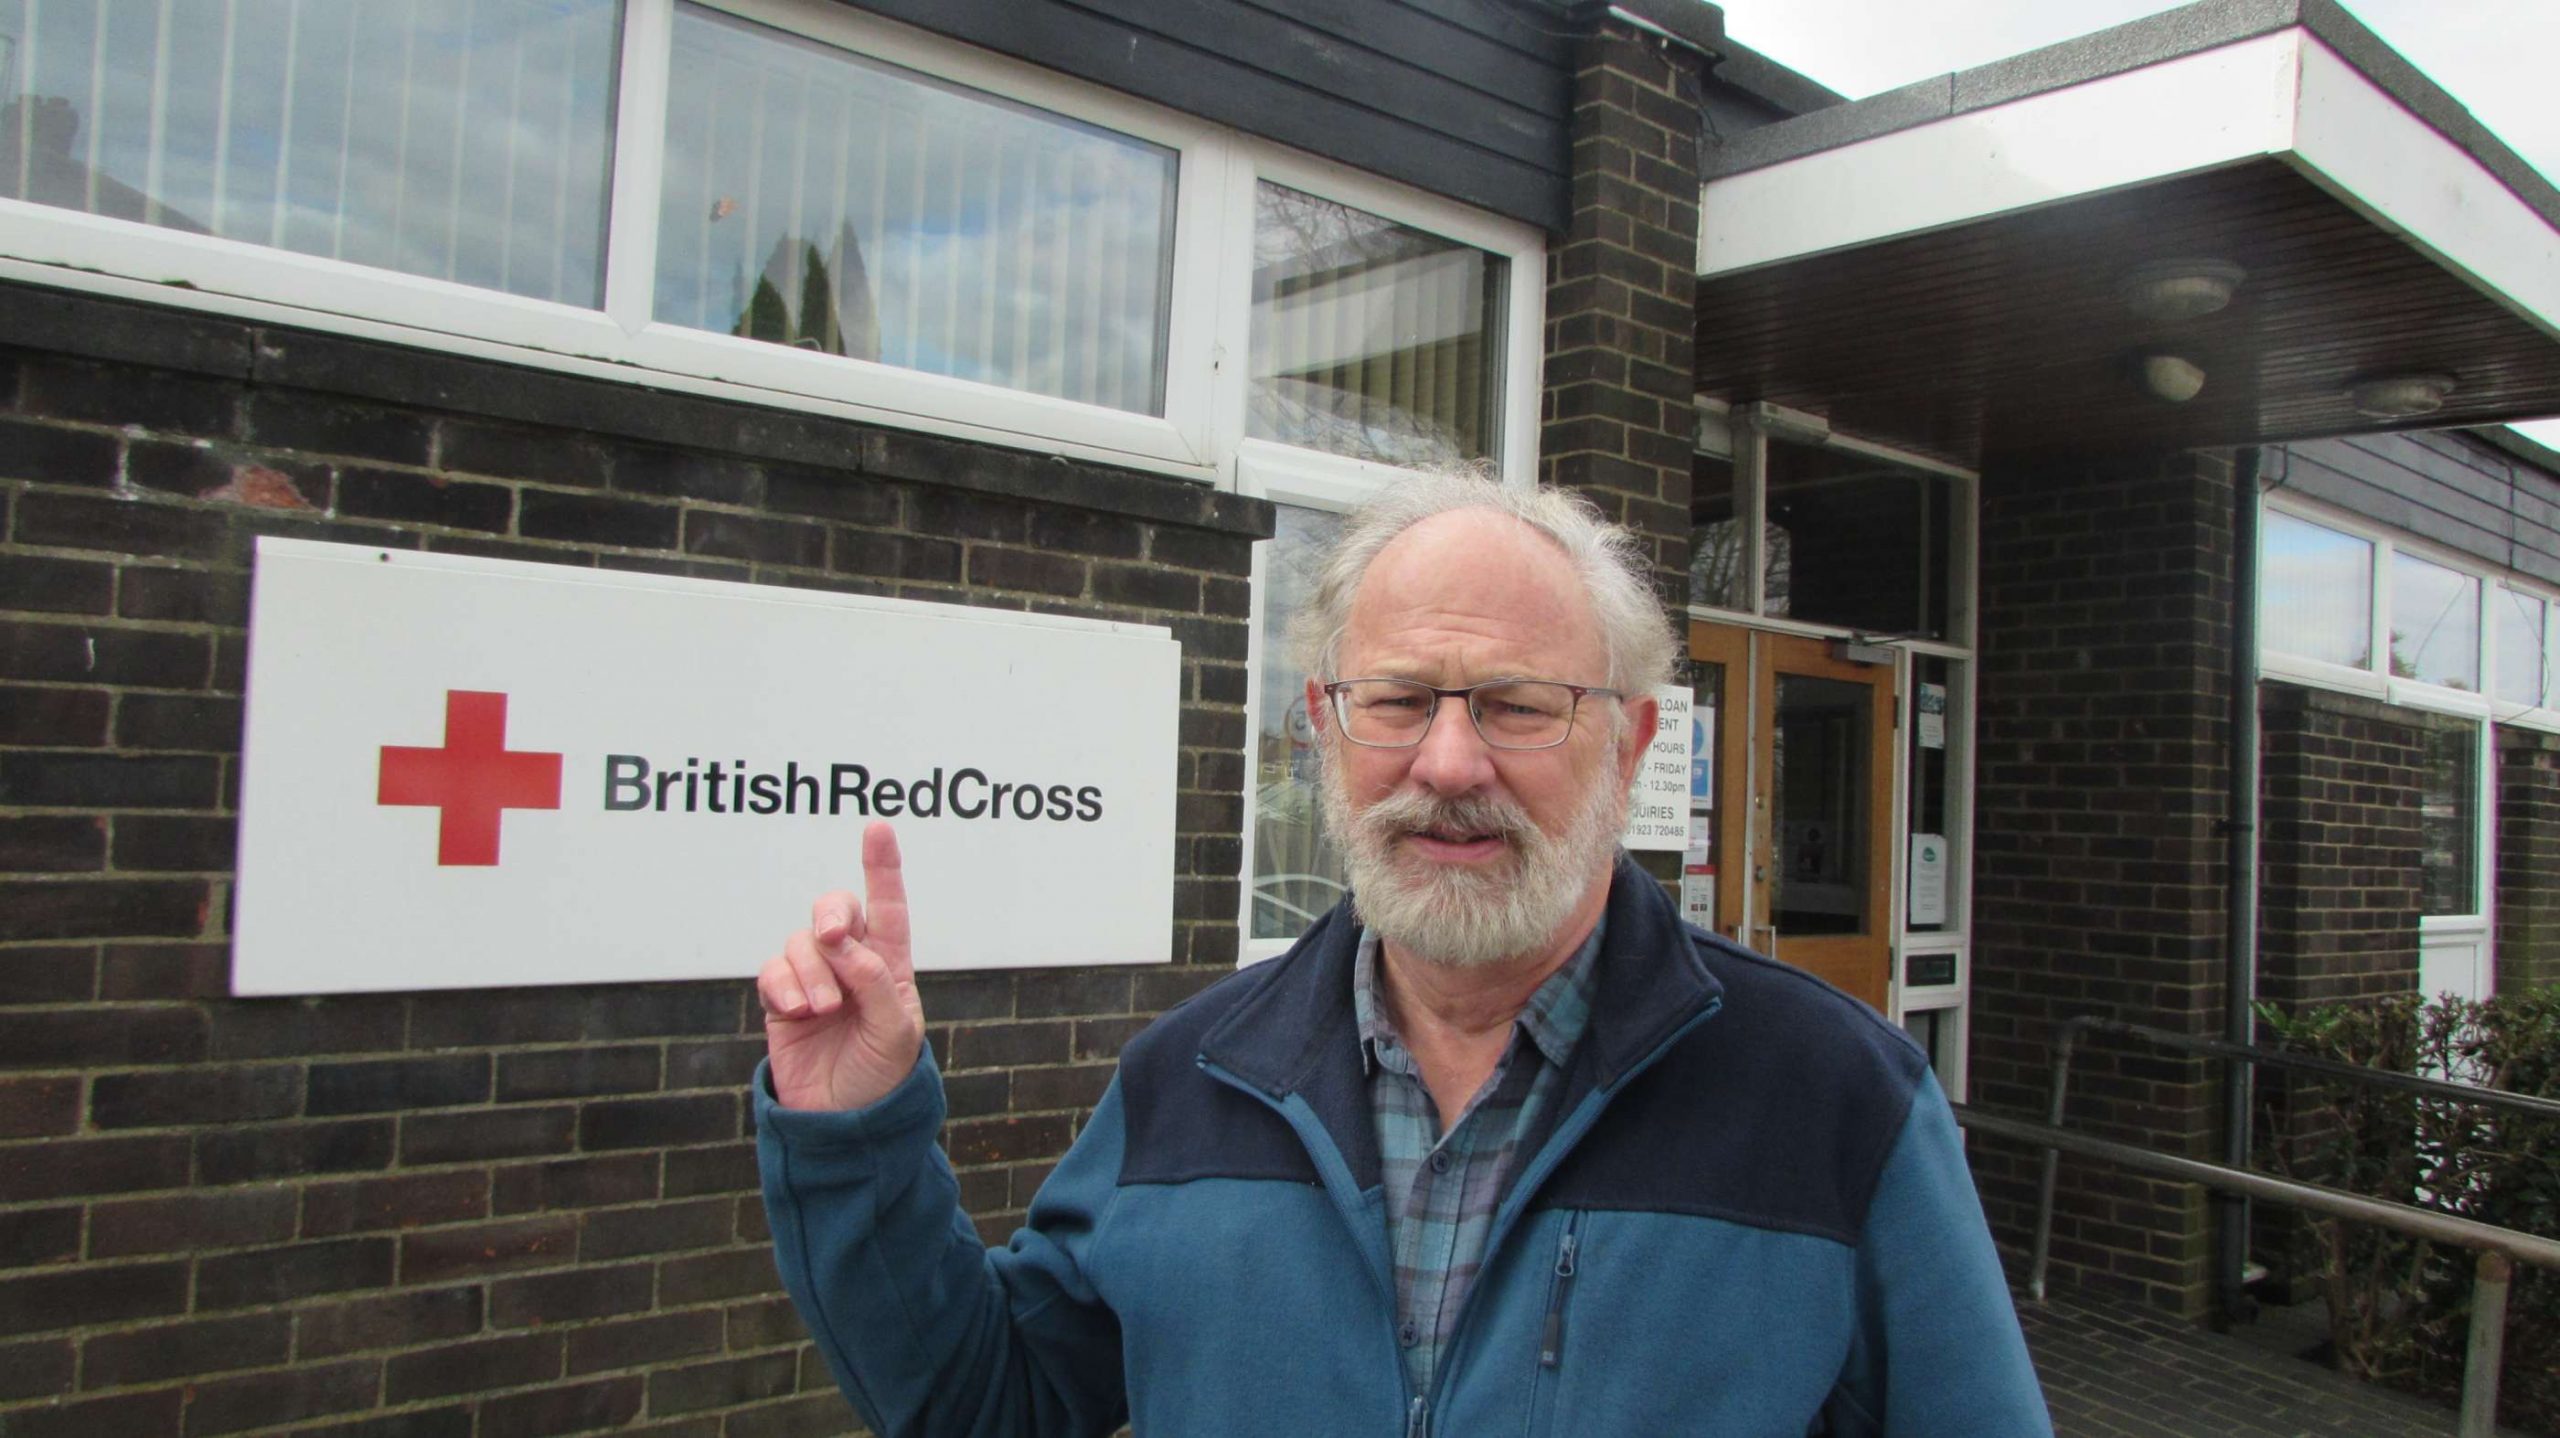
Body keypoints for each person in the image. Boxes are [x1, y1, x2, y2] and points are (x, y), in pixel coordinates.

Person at [753, 473, 2053, 1437]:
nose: (1446, 762)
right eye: (1399, 699)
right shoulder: (1189, 1082)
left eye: (1514, 705)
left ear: (1632, 741)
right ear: (1327, 725)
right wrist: (854, 1134)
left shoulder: (1837, 1102)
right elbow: (995, 1406)